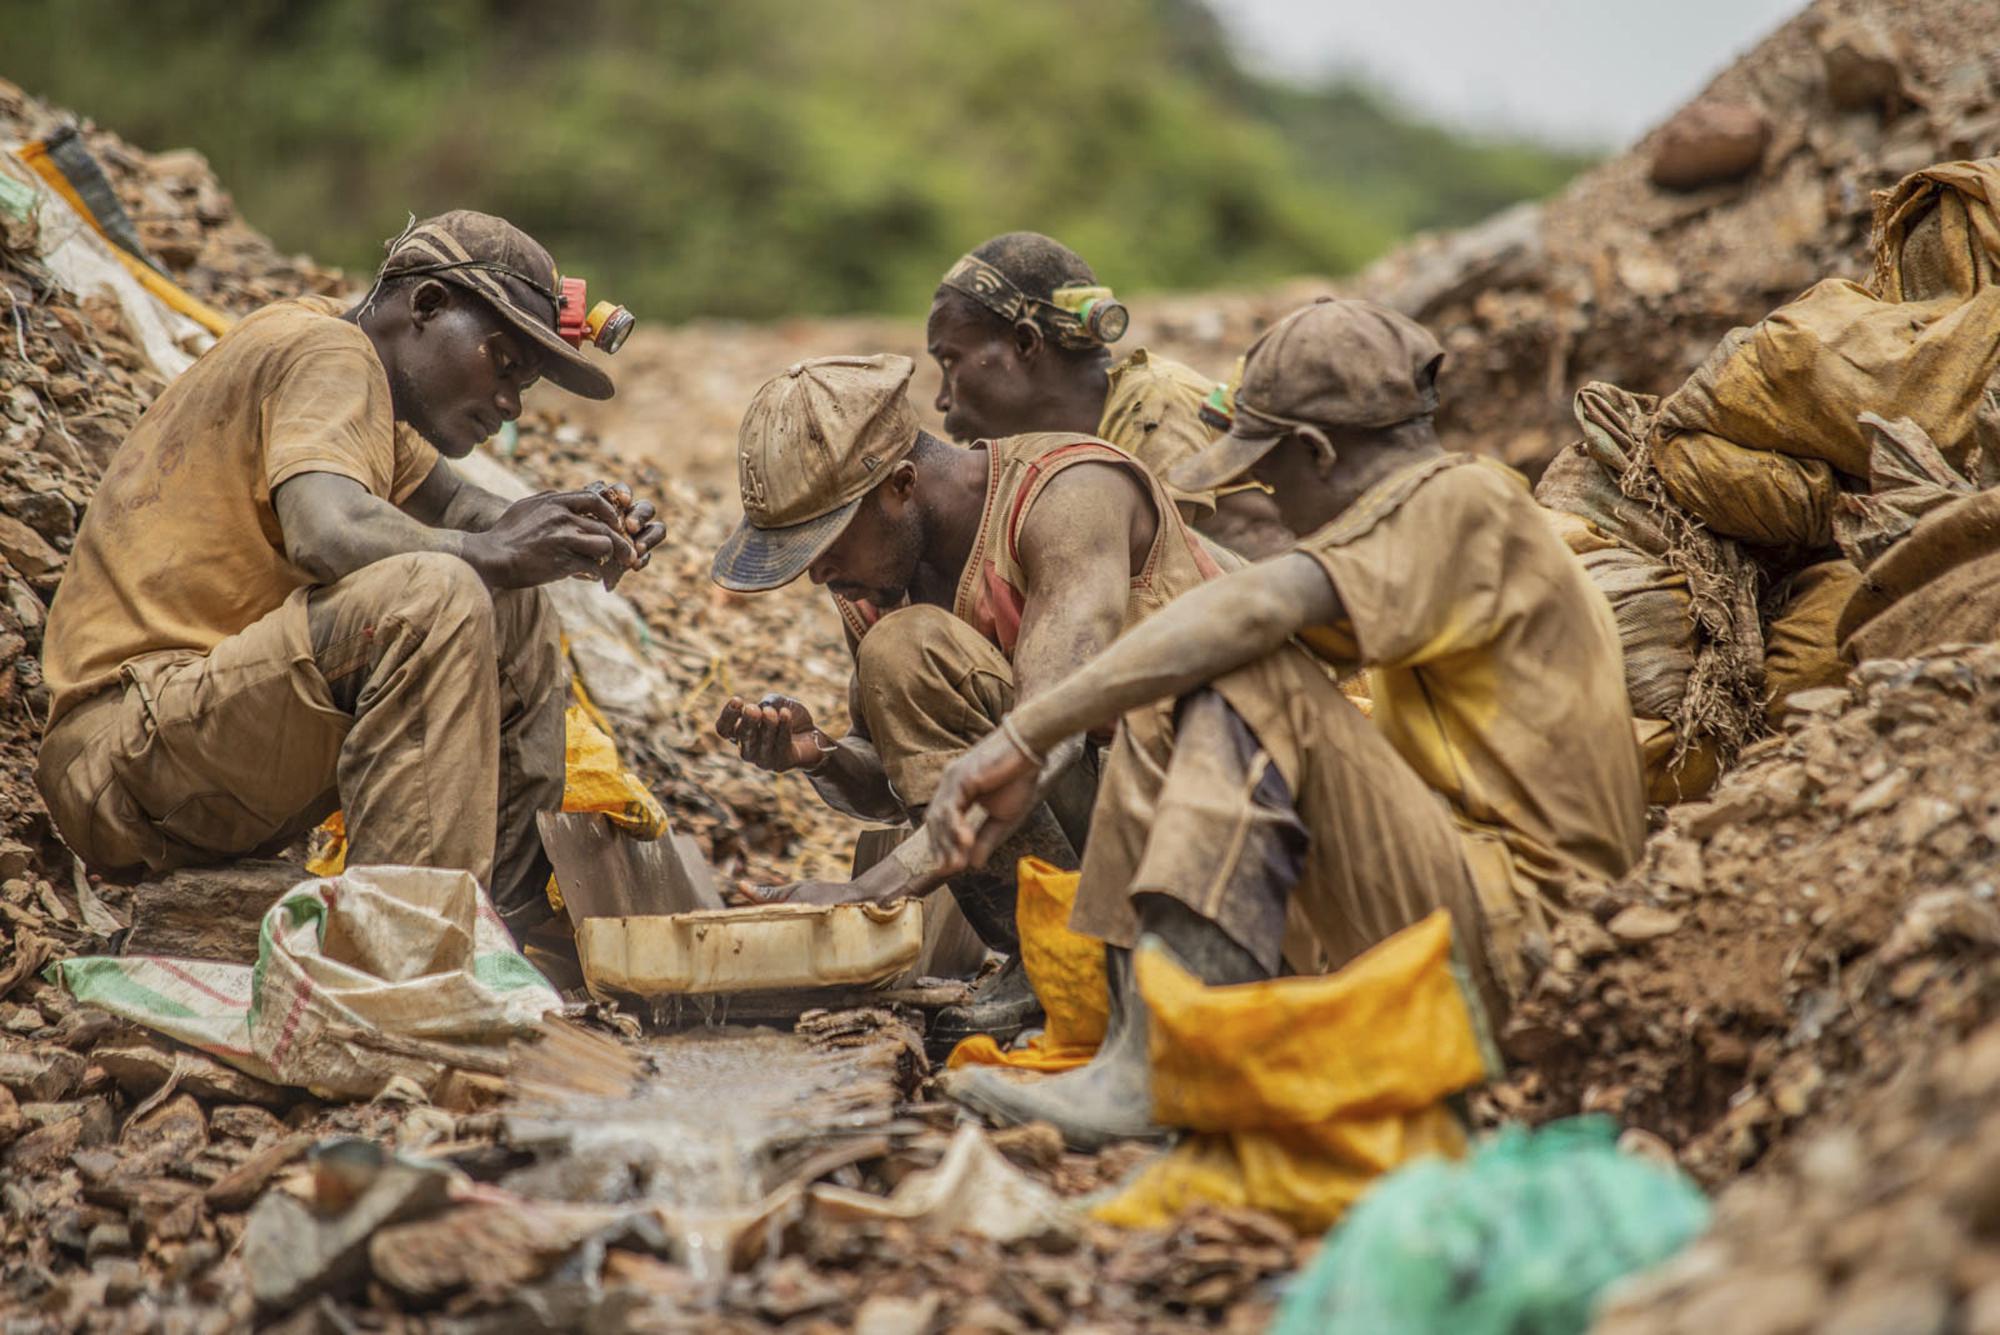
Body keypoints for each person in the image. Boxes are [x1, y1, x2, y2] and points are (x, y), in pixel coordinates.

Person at [920, 298, 1648, 1147]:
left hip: (1527, 936)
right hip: (1467, 901)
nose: (1269, 500)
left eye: (1270, 473)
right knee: (1178, 667)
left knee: (1240, 665)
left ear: (1320, 453)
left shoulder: (1464, 505)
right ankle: (1139, 1038)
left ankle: (1175, 1063)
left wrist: (1022, 734)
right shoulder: (1421, 537)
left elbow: (1255, 608)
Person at [36, 211, 664, 944]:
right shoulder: (330, 352)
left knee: (507, 594)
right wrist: (497, 552)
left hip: (190, 751)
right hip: (125, 752)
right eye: (502, 363)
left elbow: (469, 509)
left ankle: (508, 930)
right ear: (426, 305)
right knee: (440, 591)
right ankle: (408, 959)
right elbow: (327, 531)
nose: (509, 403)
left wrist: (573, 524)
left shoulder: (362, 393)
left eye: (523, 385)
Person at [710, 353, 1231, 1042]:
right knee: (898, 650)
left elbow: (1044, 738)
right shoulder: (875, 583)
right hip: (1106, 833)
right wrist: (824, 757)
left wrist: (876, 889)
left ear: (899, 486)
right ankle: (1049, 959)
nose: (818, 574)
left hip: (1210, 822)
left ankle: (1094, 965)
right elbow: (913, 782)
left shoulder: (1068, 496)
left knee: (905, 649)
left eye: (826, 543)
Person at [926, 232, 1292, 559]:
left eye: (951, 361)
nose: (942, 399)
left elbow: (1160, 578)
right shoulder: (1065, 451)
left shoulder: (1153, 407)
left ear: (1025, 343)